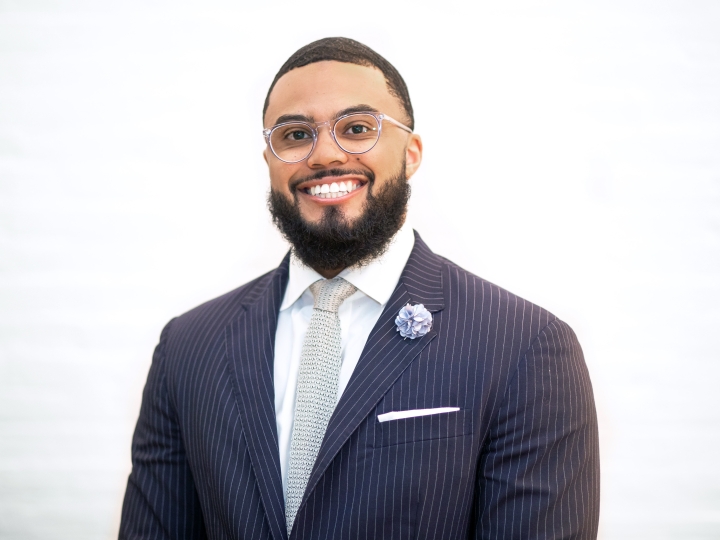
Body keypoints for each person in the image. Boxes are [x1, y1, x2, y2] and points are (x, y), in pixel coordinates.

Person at [119, 37, 600, 540]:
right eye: (295, 134)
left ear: (411, 154)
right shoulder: (188, 346)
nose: (324, 154)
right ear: (269, 160)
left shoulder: (524, 344)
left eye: (356, 129)